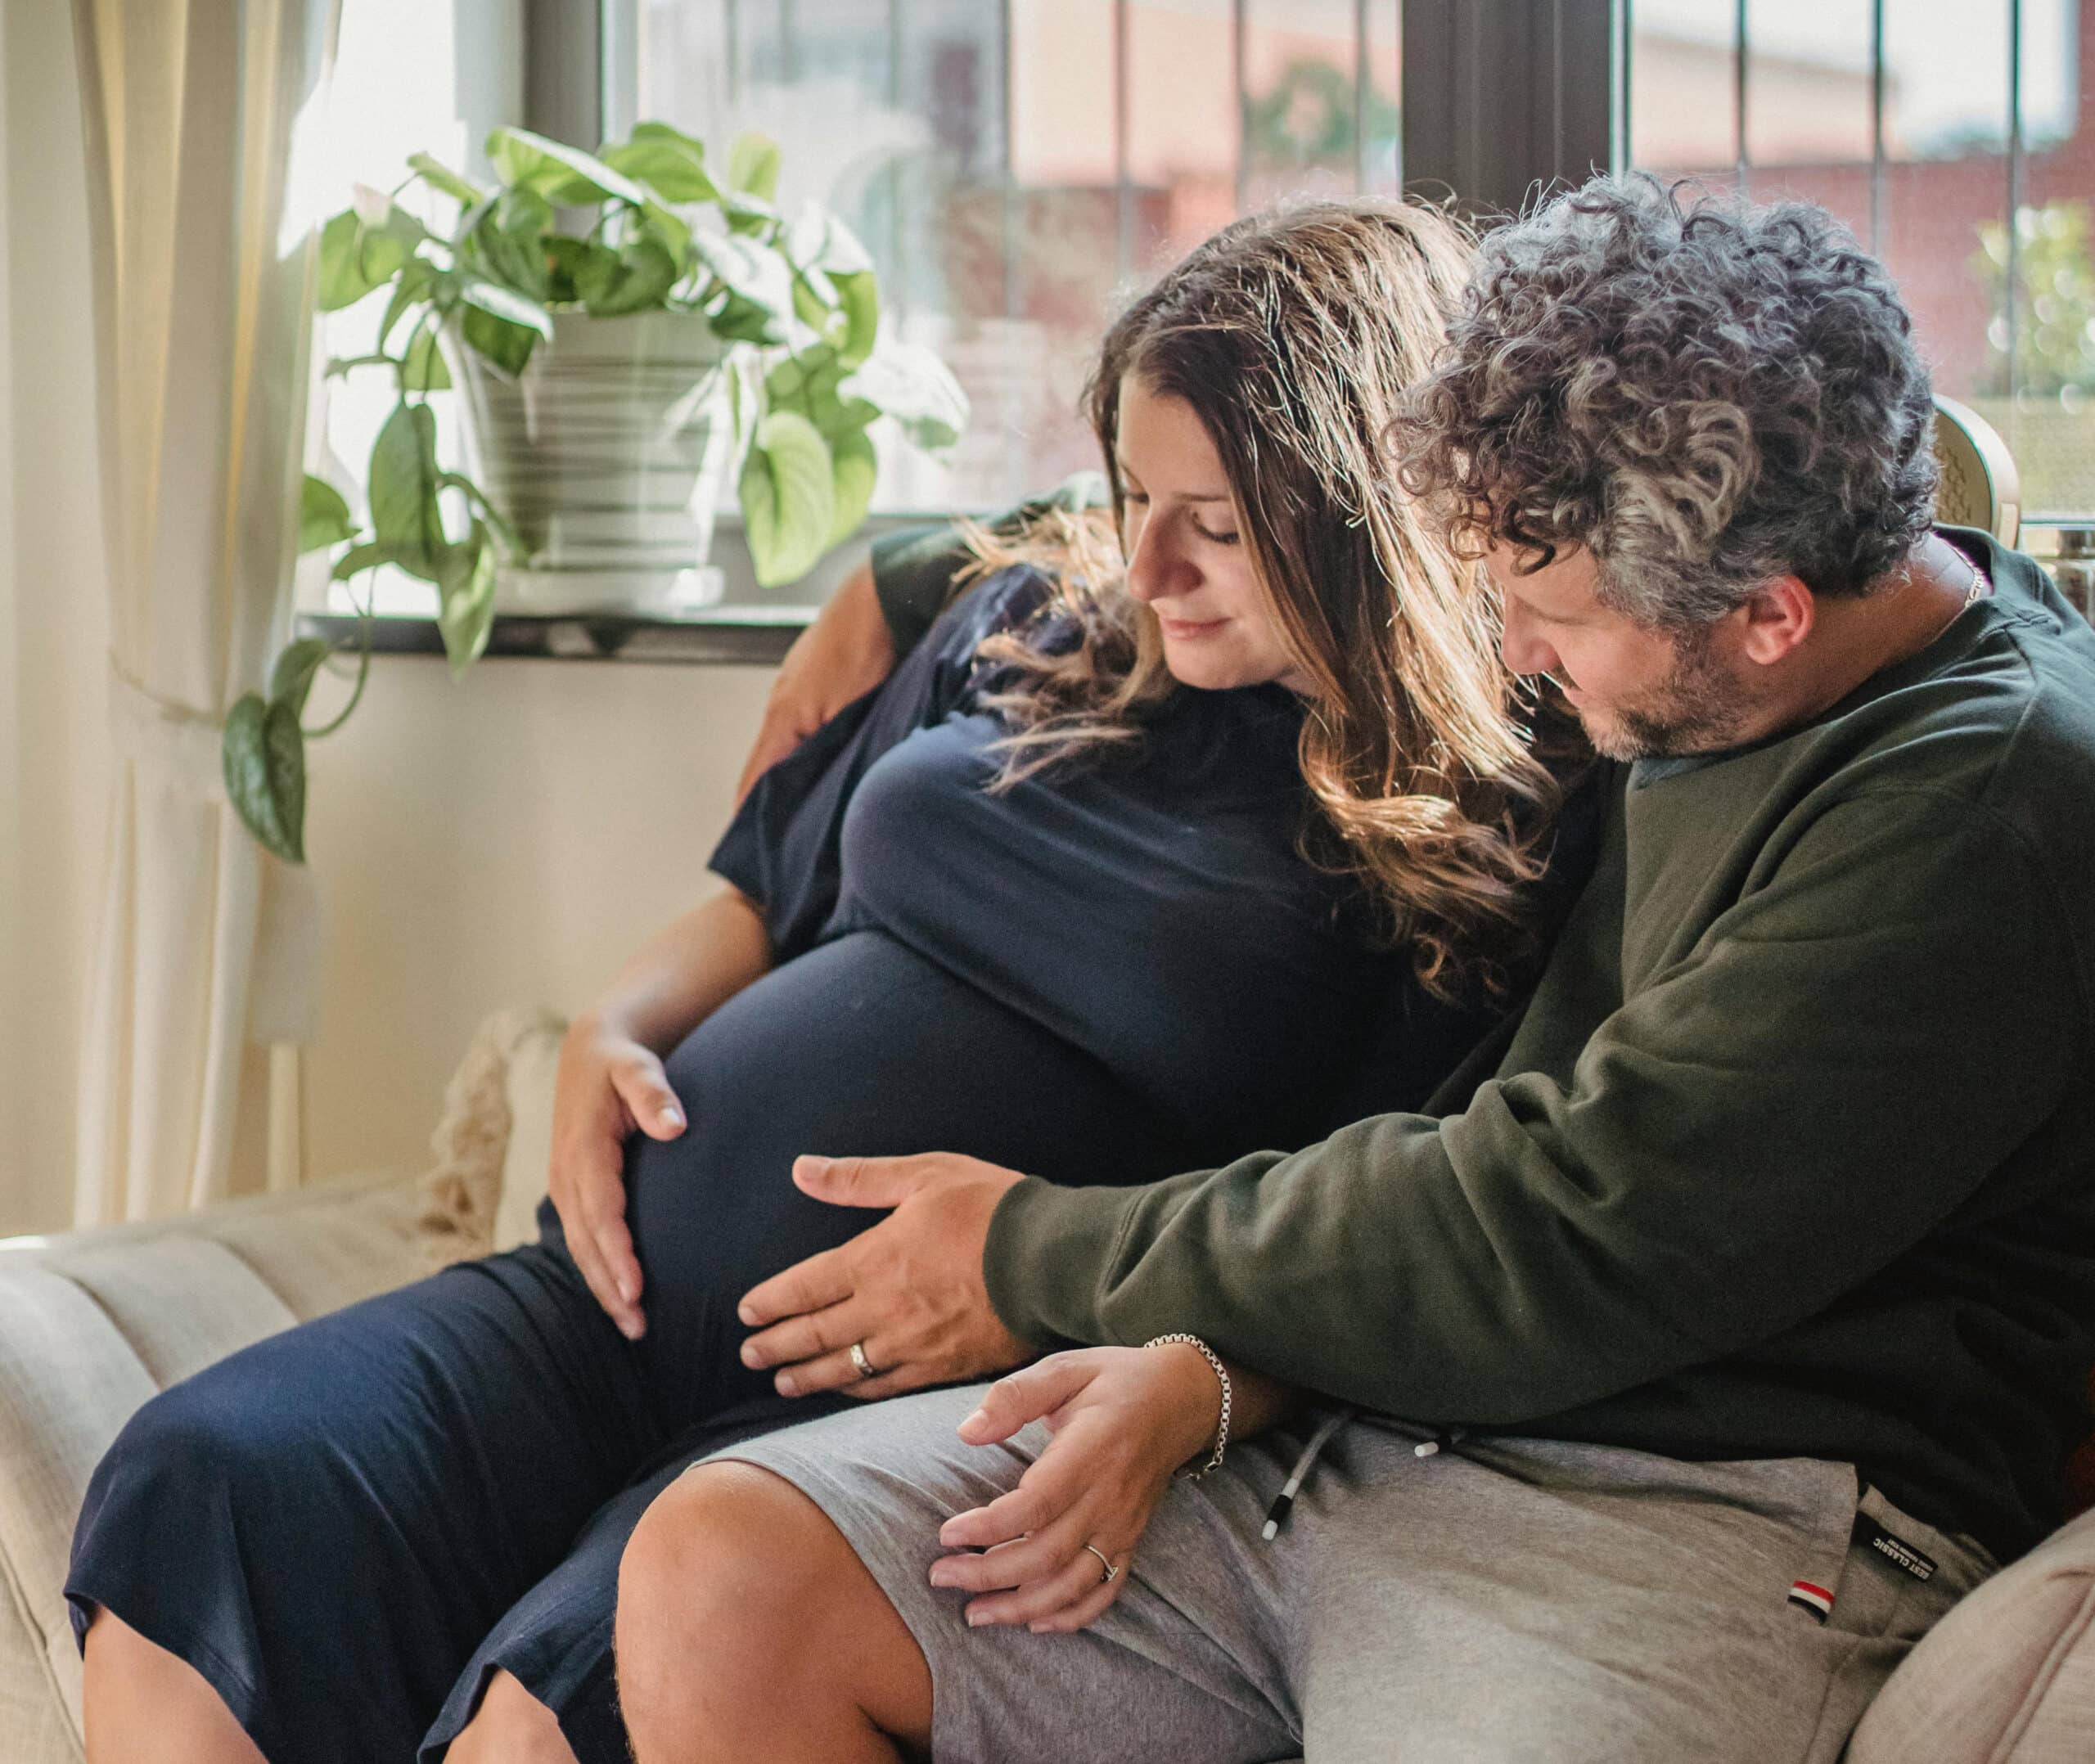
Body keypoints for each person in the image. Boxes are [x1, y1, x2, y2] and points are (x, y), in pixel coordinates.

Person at [67, 199, 1580, 1764]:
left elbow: (1388, 1223)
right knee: (204, 1488)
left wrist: (1196, 1372)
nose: (1150, 559)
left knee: (543, 1718)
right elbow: (762, 887)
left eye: (1215, 517)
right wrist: (618, 1022)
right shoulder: (1036, 620)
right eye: (1133, 490)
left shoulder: (1466, 828)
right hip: (591, 1312)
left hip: (873, 1418)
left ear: (1358, 512)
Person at [613, 173, 2095, 1764]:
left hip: (1704, 1516)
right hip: (1371, 1425)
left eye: (1544, 618)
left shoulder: (1983, 810)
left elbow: (1563, 1226)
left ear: (1764, 616)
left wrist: (1029, 1253)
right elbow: (1225, 496)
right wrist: (900, 578)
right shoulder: (1724, 607)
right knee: (731, 1573)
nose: (1512, 654)